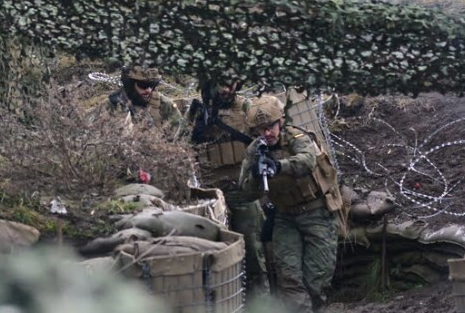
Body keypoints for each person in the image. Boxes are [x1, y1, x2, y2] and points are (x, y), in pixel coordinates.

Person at [239, 95, 341, 312]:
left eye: (271, 126)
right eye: (261, 129)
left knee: (316, 280)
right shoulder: (255, 150)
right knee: (289, 277)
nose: (267, 133)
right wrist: (257, 175)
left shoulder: (296, 137)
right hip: (286, 217)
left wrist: (277, 166)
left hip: (317, 214)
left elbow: (306, 160)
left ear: (280, 121)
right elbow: (246, 191)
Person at [186, 81, 270, 299]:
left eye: (232, 85)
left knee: (253, 254)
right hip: (211, 196)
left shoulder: (245, 109)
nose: (227, 90)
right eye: (222, 84)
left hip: (243, 193)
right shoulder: (197, 112)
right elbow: (180, 148)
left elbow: (266, 141)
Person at [96, 65, 185, 141]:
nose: (148, 90)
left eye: (152, 85)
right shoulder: (112, 105)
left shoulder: (165, 105)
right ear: (130, 85)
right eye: (143, 86)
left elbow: (180, 138)